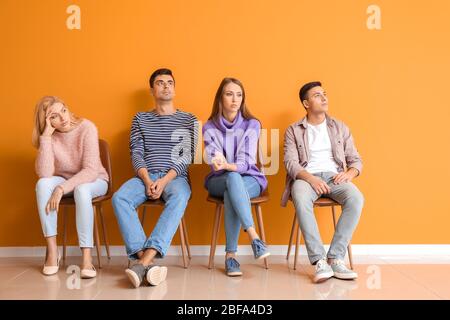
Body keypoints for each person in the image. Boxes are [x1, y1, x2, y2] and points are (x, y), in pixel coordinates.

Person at [112, 68, 198, 288]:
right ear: (152, 90)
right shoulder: (140, 119)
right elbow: (136, 153)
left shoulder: (189, 119)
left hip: (175, 177)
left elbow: (187, 156)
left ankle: (143, 261)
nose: (166, 86)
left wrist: (165, 180)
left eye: (170, 82)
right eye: (160, 82)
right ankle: (146, 263)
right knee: (120, 197)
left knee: (179, 197)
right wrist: (149, 180)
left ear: (175, 88)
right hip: (145, 176)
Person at [282, 81, 364, 283]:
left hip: (334, 175)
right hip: (305, 176)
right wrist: (311, 178)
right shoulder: (293, 130)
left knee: (356, 198)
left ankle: (335, 257)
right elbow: (290, 163)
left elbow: (356, 160)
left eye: (324, 94)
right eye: (317, 95)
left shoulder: (339, 127)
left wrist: (350, 174)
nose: (324, 98)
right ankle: (319, 260)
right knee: (300, 196)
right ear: (306, 103)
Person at [33, 96, 109, 279]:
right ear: (46, 121)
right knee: (42, 184)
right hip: (65, 180)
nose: (62, 117)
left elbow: (90, 171)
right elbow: (45, 173)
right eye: (54, 116)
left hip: (95, 180)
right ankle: (52, 252)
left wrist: (60, 189)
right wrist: (46, 137)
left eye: (63, 111)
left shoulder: (87, 128)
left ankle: (86, 258)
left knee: (81, 189)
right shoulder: (50, 137)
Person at [203, 77, 270, 277]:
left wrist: (228, 165)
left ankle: (230, 256)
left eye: (239, 95)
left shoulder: (252, 124)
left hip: (250, 179)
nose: (235, 99)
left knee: (233, 184)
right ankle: (254, 236)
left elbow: (247, 161)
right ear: (220, 98)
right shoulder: (209, 127)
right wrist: (219, 162)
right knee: (232, 180)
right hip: (218, 179)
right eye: (229, 94)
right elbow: (214, 160)